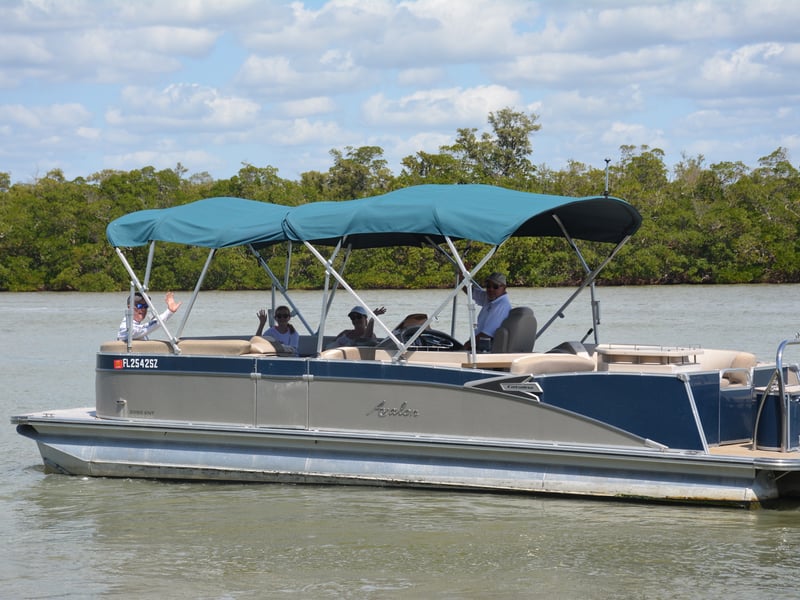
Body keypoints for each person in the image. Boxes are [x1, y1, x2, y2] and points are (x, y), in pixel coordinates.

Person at [463, 272, 511, 352]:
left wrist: (467, 345)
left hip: (485, 349)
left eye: (495, 287)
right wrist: (463, 274)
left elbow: (486, 334)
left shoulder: (502, 305)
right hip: (477, 345)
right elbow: (470, 291)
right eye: (488, 286)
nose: (491, 289)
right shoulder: (489, 298)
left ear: (504, 288)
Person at [117, 291, 182, 341]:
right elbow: (143, 329)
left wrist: (170, 311)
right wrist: (169, 312)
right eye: (140, 306)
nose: (143, 309)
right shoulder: (125, 327)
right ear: (129, 307)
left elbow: (147, 326)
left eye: (145, 306)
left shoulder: (136, 326)